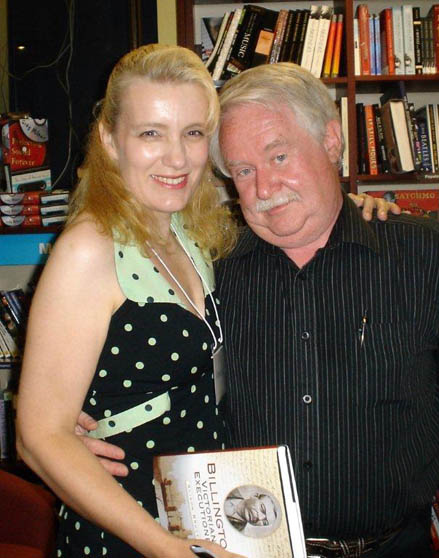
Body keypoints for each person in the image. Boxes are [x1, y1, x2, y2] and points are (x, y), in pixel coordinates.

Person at [209, 63, 439, 557]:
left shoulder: (426, 255)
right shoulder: (212, 270)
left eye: (279, 156)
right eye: (243, 170)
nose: (264, 188)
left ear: (331, 141)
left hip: (394, 547)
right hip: (254, 549)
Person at [15, 43, 244, 558]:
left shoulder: (188, 231)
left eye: (193, 133)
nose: (177, 158)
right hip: (127, 531)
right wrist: (166, 549)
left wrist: (353, 206)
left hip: (195, 515)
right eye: (150, 134)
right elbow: (38, 437)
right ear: (110, 140)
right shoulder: (88, 250)